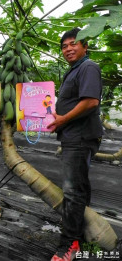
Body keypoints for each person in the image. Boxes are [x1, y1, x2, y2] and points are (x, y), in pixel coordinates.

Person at [48, 28, 103, 261]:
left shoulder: (88, 67)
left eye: (74, 43)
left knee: (72, 192)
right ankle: (79, 232)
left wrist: (62, 119)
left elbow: (90, 101)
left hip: (80, 137)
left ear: (84, 46)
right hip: (74, 136)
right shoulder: (74, 70)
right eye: (64, 46)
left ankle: (69, 244)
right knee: (78, 188)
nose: (68, 48)